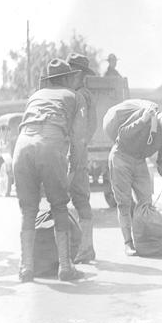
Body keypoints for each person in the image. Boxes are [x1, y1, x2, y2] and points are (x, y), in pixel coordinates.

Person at [13, 59, 85, 282]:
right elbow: (78, 138)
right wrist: (74, 166)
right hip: (50, 142)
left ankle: (26, 268)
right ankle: (65, 266)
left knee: (28, 210)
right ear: (65, 78)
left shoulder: (35, 95)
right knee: (59, 206)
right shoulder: (72, 96)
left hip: (22, 145)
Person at [109, 100, 162, 256]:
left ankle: (145, 241)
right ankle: (128, 243)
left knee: (146, 202)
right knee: (124, 202)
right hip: (121, 156)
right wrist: (142, 121)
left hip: (139, 161)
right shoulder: (144, 115)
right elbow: (122, 134)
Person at [65, 53, 97, 264]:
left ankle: (85, 248)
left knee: (79, 199)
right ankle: (85, 247)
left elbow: (84, 127)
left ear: (78, 73)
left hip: (74, 152)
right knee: (79, 199)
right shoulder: (81, 94)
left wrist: (76, 149)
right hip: (77, 150)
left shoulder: (80, 96)